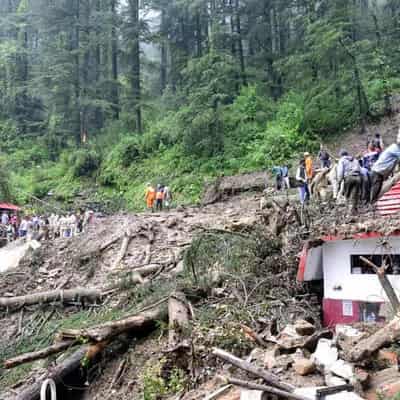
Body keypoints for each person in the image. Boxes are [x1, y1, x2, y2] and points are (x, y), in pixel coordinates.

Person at [370, 130, 400, 203]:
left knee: (378, 186)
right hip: (378, 170)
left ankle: (373, 202)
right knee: (376, 187)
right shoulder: (395, 149)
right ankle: (372, 202)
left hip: (380, 170)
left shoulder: (394, 148)